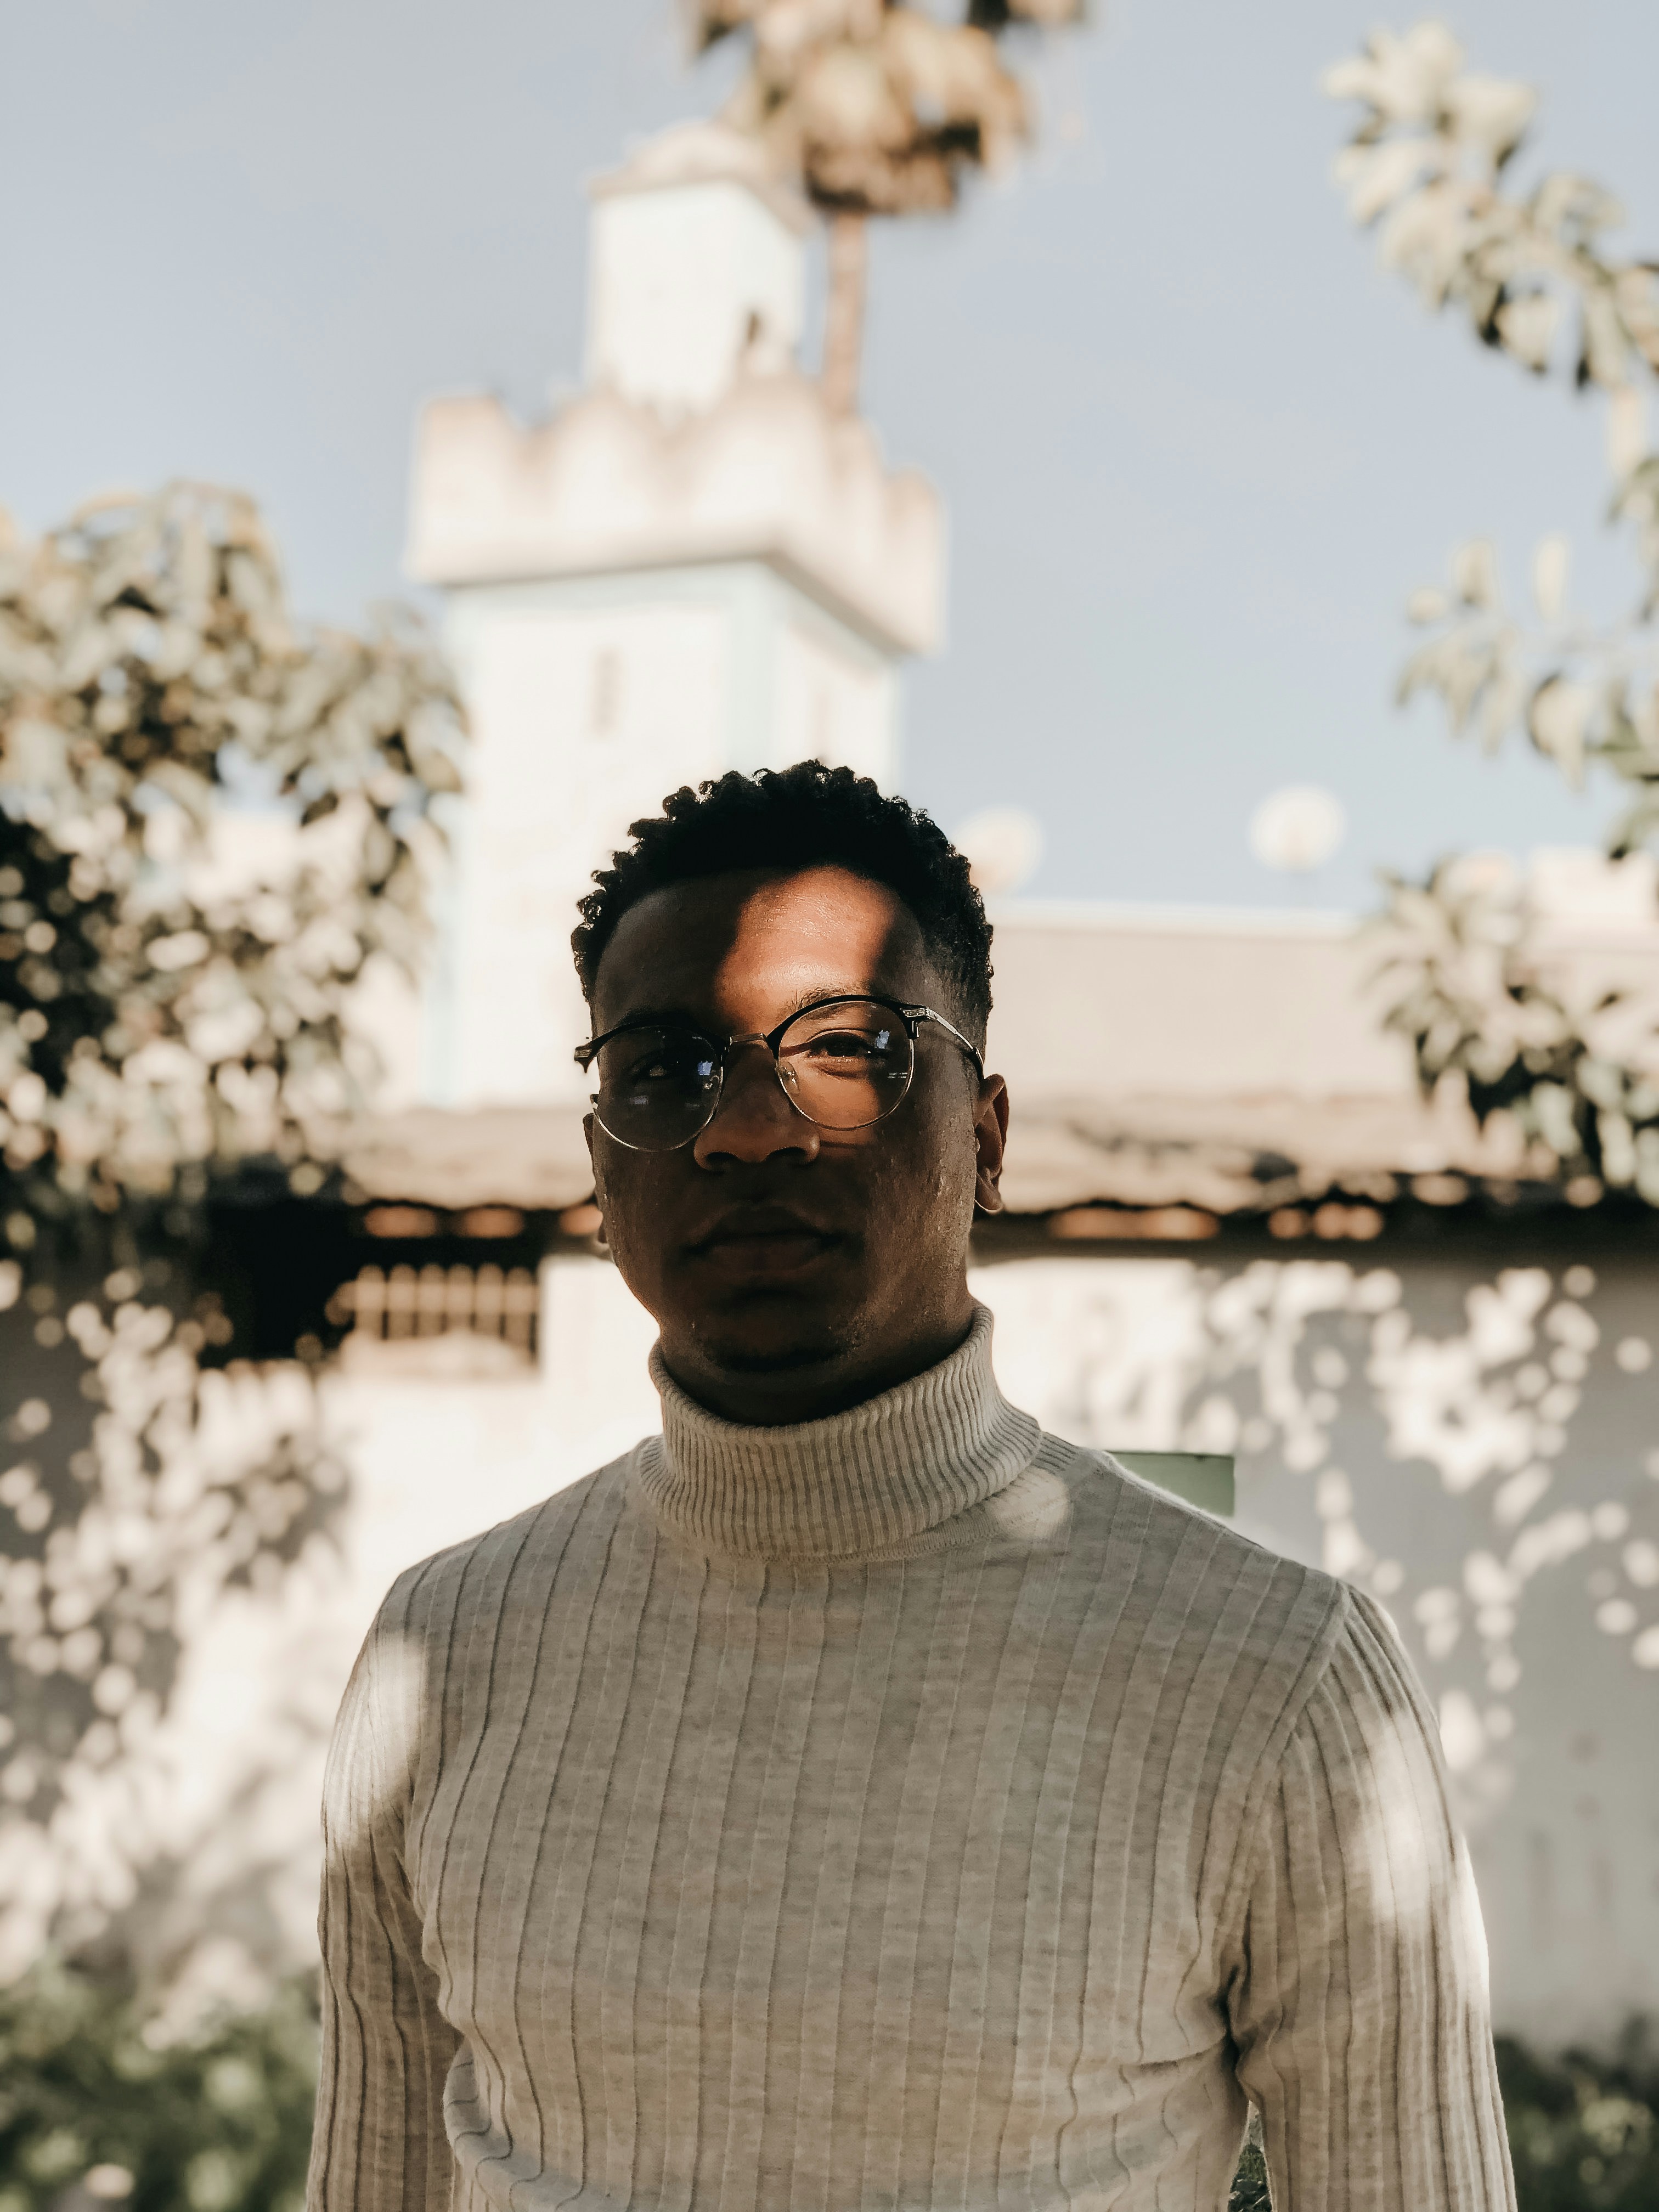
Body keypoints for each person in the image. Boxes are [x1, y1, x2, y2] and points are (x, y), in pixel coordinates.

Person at [308, 761, 1514, 2211]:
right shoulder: (443, 1658)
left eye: (848, 1047)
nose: (748, 1126)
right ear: (599, 1163)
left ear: (988, 1137)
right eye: (666, 1066)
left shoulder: (1277, 1677)